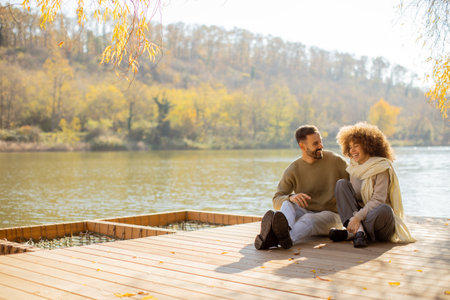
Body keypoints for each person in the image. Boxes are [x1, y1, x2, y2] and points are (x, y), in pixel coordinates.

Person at [254, 125, 349, 250]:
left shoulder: (335, 161)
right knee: (287, 204)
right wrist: (291, 197)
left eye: (321, 141)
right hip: (305, 211)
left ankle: (279, 239)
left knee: (309, 218)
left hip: (332, 216)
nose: (321, 146)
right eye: (315, 143)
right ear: (302, 146)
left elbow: (354, 184)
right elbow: (276, 199)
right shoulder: (293, 169)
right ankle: (282, 234)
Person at [329, 122, 415, 248]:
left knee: (385, 210)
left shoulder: (381, 167)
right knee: (341, 185)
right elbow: (352, 199)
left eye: (356, 146)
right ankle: (359, 233)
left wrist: (358, 217)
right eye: (350, 146)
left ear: (368, 145)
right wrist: (357, 216)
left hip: (379, 223)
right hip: (362, 217)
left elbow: (378, 200)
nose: (352, 150)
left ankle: (351, 233)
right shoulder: (354, 167)